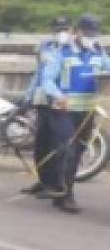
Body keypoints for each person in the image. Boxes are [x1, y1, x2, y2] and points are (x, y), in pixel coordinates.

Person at [38, 13, 110, 214]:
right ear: (77, 32)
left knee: (77, 152)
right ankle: (64, 194)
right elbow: (47, 79)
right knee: (66, 150)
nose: (91, 37)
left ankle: (62, 189)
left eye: (94, 34)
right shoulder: (62, 52)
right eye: (87, 33)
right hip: (63, 110)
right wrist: (58, 95)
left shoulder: (98, 52)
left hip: (87, 112)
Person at [21, 16, 71, 197]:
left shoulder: (73, 49)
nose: (61, 33)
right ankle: (42, 181)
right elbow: (39, 74)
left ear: (71, 30)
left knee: (56, 146)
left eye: (64, 29)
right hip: (43, 100)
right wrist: (28, 95)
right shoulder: (45, 47)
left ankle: (55, 184)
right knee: (41, 144)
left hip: (61, 102)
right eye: (58, 29)